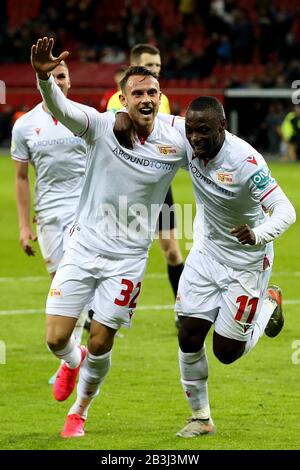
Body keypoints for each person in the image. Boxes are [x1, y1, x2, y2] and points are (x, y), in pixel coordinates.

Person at [30, 37, 187, 438]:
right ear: (123, 99)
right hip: (83, 249)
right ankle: (70, 361)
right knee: (56, 339)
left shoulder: (176, 138)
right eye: (138, 93)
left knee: (101, 342)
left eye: (153, 91)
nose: (147, 98)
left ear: (161, 96)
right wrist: (44, 78)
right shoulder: (100, 126)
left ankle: (79, 412)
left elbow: (217, 144)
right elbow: (61, 109)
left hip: (128, 261)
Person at [161, 97, 296, 437]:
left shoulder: (246, 161)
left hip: (247, 262)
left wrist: (257, 233)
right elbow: (146, 124)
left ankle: (268, 306)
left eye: (204, 131)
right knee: (188, 334)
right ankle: (201, 418)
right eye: (191, 131)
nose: (195, 139)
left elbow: (285, 211)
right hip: (206, 253)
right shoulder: (186, 138)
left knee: (225, 352)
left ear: (223, 126)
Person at [11, 60, 89, 383]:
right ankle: (74, 356)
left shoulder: (85, 119)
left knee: (75, 282)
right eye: (51, 77)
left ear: (69, 81)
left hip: (84, 213)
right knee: (60, 285)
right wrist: (24, 226)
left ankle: (70, 360)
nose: (57, 81)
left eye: (62, 76)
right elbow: (20, 177)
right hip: (49, 217)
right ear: (40, 83)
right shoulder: (25, 126)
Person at [107, 44, 184, 313]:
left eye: (158, 67)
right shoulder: (116, 102)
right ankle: (100, 311)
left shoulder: (162, 100)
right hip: (126, 191)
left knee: (172, 251)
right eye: (150, 66)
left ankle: (182, 309)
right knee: (114, 253)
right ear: (134, 66)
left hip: (159, 188)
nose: (155, 71)